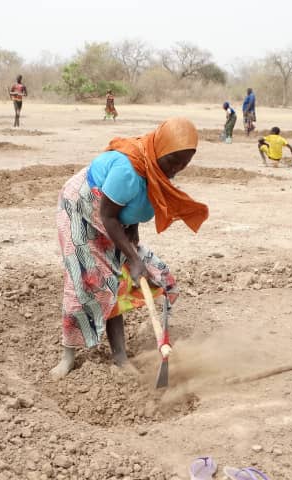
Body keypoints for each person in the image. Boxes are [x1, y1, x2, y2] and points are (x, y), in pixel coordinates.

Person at [50, 117, 210, 379]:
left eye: (184, 162)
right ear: (160, 149)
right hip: (80, 209)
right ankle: (67, 356)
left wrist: (133, 228)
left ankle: (120, 356)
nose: (177, 169)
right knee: (86, 279)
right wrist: (134, 260)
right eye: (173, 161)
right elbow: (109, 215)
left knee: (124, 278)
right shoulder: (129, 170)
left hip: (110, 216)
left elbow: (128, 207)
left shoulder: (155, 168)